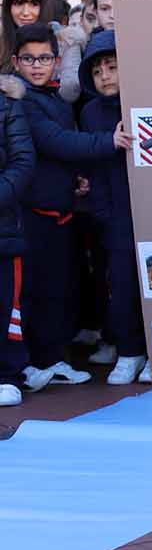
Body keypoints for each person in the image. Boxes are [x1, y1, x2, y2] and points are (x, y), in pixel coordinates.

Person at [9, 23, 130, 391]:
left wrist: (77, 178)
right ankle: (32, 363)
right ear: (15, 63)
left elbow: (64, 154)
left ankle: (52, 358)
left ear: (57, 61)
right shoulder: (23, 101)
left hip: (61, 213)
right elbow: (57, 142)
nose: (36, 65)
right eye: (28, 59)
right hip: (32, 215)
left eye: (44, 57)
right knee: (34, 293)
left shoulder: (57, 99)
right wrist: (109, 141)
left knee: (59, 292)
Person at [77, 30, 149, 384]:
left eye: (112, 66)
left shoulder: (146, 99)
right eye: (97, 71)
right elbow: (92, 166)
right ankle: (130, 351)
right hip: (115, 214)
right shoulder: (90, 112)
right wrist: (102, 211)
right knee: (121, 287)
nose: (105, 76)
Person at [0, 71, 35, 407]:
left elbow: (23, 162)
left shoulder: (8, 103)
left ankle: (7, 374)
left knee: (4, 302)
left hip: (3, 226)